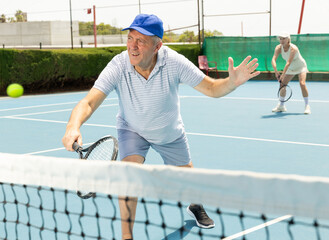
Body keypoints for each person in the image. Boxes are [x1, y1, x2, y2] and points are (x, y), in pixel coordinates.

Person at [62, 14, 260, 240]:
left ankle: (195, 204)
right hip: (132, 129)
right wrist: (73, 126)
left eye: (141, 41)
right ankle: (127, 237)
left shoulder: (174, 62)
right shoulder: (118, 65)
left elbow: (212, 88)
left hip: (168, 132)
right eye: (130, 38)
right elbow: (89, 102)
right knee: (128, 179)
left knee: (189, 180)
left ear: (158, 46)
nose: (133, 46)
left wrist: (231, 82)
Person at [271, 32, 311, 114]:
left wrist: (282, 74)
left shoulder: (293, 48)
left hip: (300, 66)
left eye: (284, 38)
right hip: (291, 68)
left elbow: (288, 62)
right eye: (280, 38)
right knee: (282, 85)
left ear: (288, 39)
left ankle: (307, 106)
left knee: (302, 83)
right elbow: (273, 59)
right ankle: (281, 106)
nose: (282, 40)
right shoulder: (278, 48)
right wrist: (276, 71)